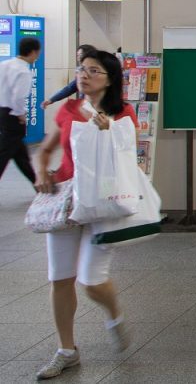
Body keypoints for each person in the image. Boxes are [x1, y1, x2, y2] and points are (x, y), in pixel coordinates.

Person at [32, 50, 137, 380]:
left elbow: (128, 155)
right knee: (60, 277)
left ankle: (113, 313)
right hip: (65, 199)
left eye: (93, 70)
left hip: (104, 202)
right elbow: (47, 149)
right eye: (82, 69)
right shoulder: (67, 109)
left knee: (91, 280)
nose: (84, 75)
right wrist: (41, 173)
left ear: (109, 78)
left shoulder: (123, 113)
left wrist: (108, 132)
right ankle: (66, 349)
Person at [0, 36, 41, 186]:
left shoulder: (5, 64)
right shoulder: (23, 71)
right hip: (13, 115)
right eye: (38, 53)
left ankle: (38, 184)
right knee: (4, 152)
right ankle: (39, 184)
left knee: (20, 154)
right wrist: (21, 114)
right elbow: (18, 97)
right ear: (33, 52)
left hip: (2, 111)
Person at [41, 44, 97, 109]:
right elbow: (70, 88)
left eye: (81, 55)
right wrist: (51, 99)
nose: (78, 58)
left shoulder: (97, 71)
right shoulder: (80, 71)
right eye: (77, 55)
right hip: (85, 106)